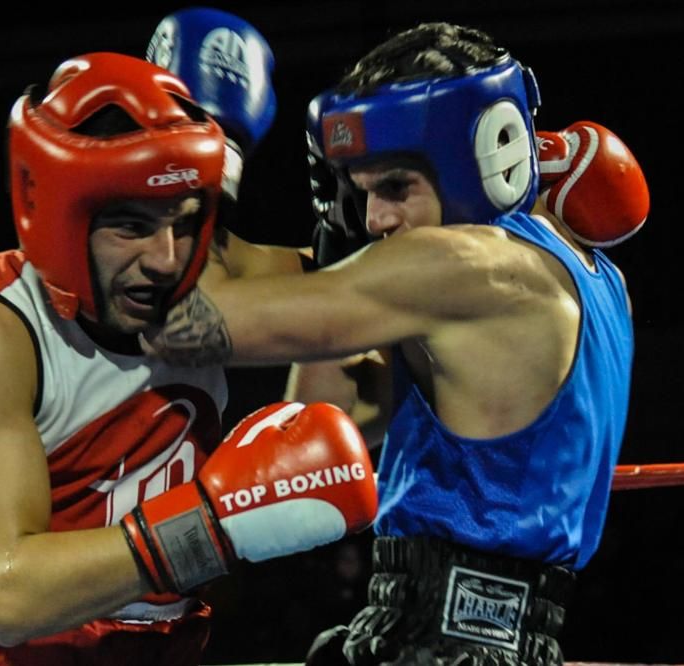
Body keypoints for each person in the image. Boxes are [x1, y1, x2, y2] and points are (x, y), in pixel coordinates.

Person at [144, 21, 648, 666]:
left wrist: (213, 155)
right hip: (476, 632)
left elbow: (183, 325)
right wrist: (334, 245)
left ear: (484, 158)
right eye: (359, 192)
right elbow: (329, 412)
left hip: (445, 641)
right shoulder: (587, 273)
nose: (375, 218)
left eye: (395, 188)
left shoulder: (461, 268)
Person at [0, 51, 377, 665]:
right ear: (60, 217)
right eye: (130, 227)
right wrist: (214, 524)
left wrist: (361, 217)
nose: (167, 258)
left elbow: (364, 292)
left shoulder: (204, 274)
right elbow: (9, 598)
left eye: (185, 221)